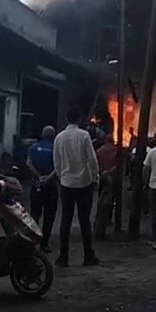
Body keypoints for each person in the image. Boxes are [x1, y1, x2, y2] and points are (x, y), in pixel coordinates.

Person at [53, 106, 99, 267]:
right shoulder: (84, 136)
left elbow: (56, 161)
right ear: (79, 119)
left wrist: (60, 176)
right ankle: (88, 256)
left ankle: (63, 257)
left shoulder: (59, 137)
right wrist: (95, 177)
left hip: (66, 184)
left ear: (66, 119)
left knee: (65, 220)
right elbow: (92, 159)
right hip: (84, 183)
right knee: (84, 220)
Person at [27, 126, 58, 253]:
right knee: (49, 217)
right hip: (50, 187)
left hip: (36, 186)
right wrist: (48, 178)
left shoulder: (33, 148)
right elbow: (58, 167)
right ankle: (44, 244)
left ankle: (32, 241)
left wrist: (39, 177)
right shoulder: (56, 149)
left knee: (34, 215)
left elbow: (29, 163)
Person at [94, 134, 118, 240]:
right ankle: (107, 220)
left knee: (101, 198)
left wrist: (100, 172)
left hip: (101, 176)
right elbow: (118, 165)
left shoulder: (99, 151)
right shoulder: (116, 151)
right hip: (111, 177)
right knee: (110, 199)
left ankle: (100, 222)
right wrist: (110, 172)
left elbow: (95, 164)